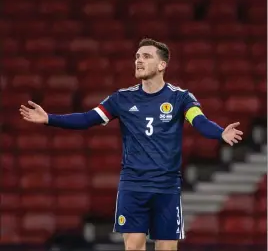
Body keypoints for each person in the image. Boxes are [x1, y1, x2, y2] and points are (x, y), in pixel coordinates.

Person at [20, 38, 243, 251]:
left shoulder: (181, 98)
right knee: (133, 246)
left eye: (146, 56)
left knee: (167, 247)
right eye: (137, 56)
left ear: (162, 64)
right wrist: (50, 118)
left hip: (166, 187)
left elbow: (199, 121)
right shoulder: (121, 99)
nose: (138, 60)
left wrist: (220, 132)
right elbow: (88, 119)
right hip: (133, 185)